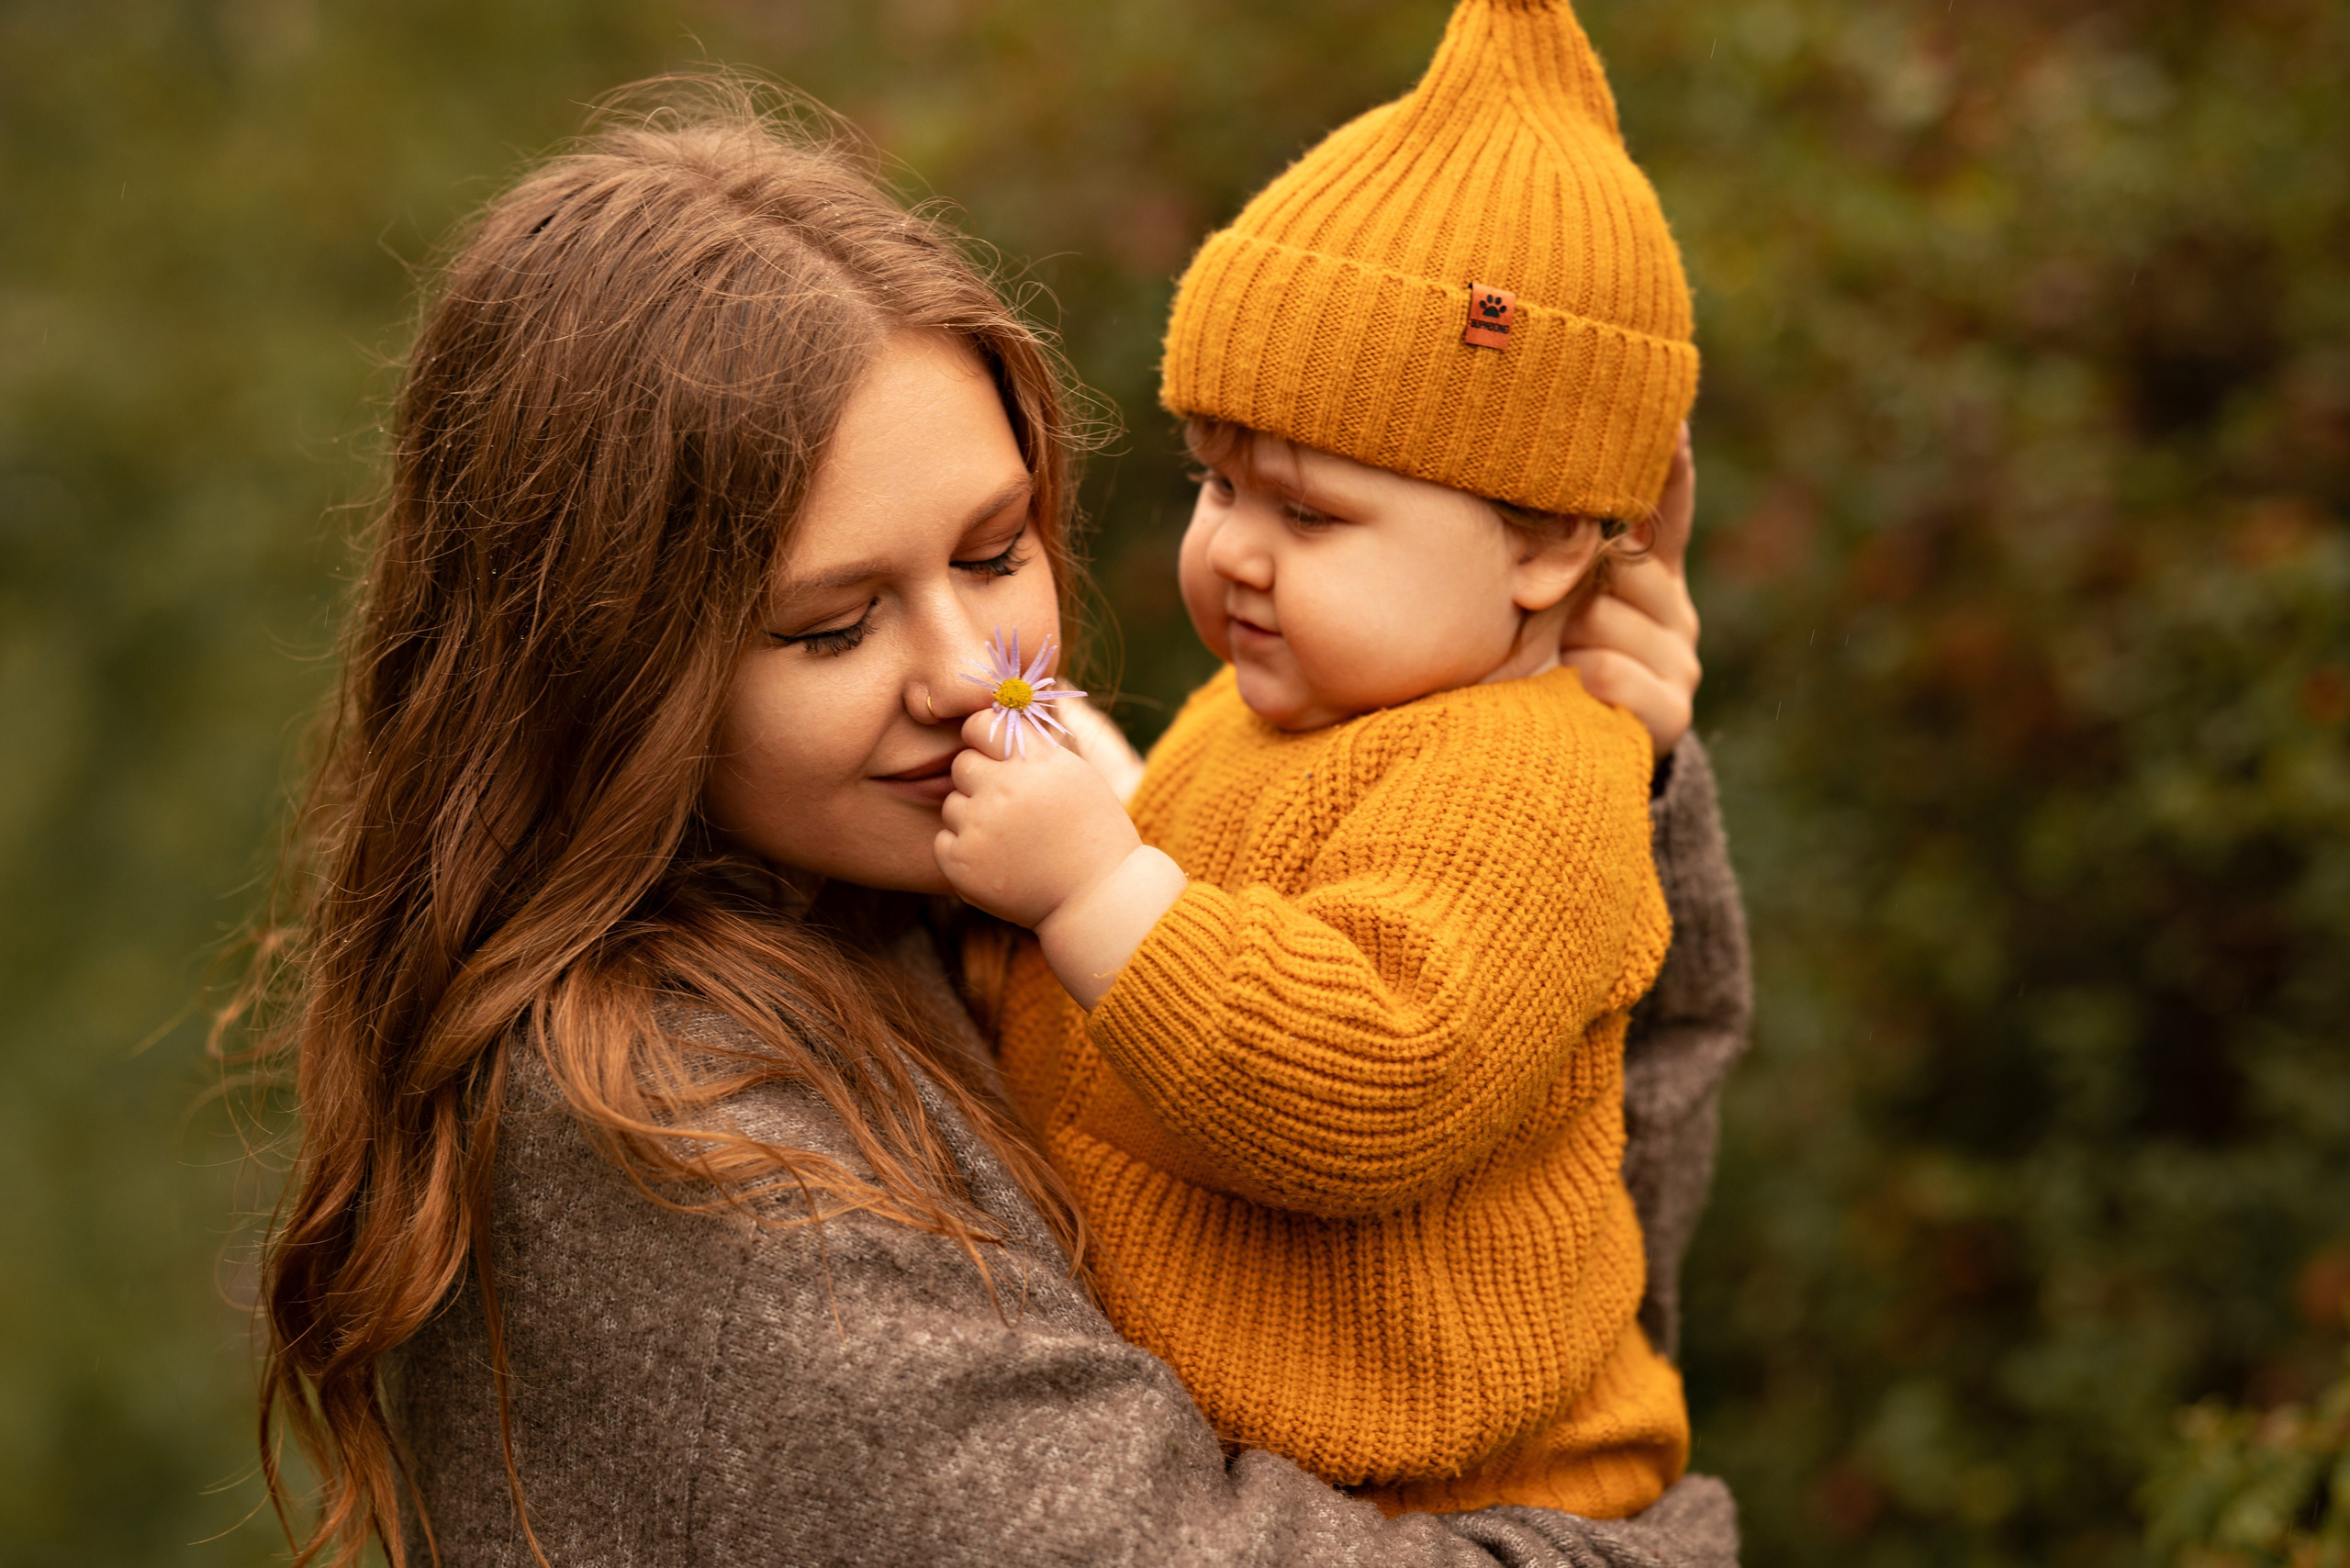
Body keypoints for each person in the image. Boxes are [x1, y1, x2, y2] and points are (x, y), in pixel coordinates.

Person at [240, 74, 1749, 1568]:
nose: (975, 677)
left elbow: (1494, 1303)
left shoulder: (940, 884)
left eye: (992, 549)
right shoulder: (664, 1126)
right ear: (608, 665)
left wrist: (1591, 771)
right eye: (834, 628)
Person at [934, 0, 1709, 1522]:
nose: (1234, 554)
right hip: (1269, 1460)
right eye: (1215, 483)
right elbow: (1210, 924)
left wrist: (1094, 878)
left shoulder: (1534, 780)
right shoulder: (1284, 703)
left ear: (1549, 539)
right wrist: (1112, 811)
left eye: (1312, 514)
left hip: (1464, 1489)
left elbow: (1372, 1070)